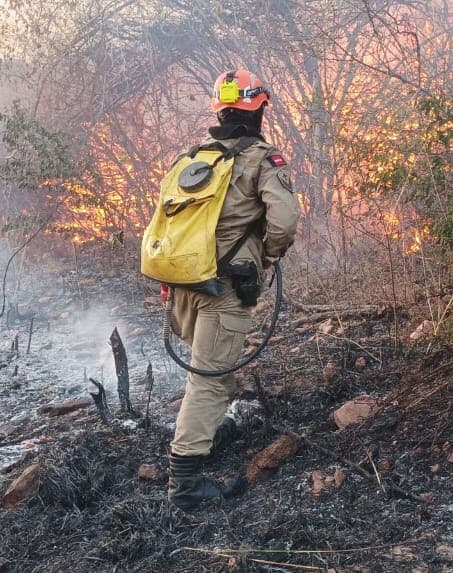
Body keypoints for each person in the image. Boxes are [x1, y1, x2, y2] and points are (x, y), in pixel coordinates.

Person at [165, 69, 299, 511]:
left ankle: (207, 433)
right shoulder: (262, 159)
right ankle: (184, 482)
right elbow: (284, 222)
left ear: (220, 111)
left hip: (184, 284)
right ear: (257, 109)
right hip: (225, 288)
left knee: (211, 372)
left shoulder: (193, 158)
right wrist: (267, 256)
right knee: (209, 378)